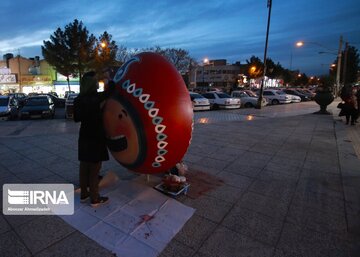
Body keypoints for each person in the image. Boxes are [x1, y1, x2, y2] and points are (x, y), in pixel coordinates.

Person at [75, 71, 110, 207]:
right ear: (92, 84)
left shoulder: (79, 99)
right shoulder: (96, 98)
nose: (97, 82)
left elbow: (77, 118)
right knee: (95, 169)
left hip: (84, 135)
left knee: (84, 167)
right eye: (96, 80)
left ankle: (84, 194)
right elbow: (112, 90)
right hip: (96, 136)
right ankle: (95, 198)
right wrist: (107, 77)